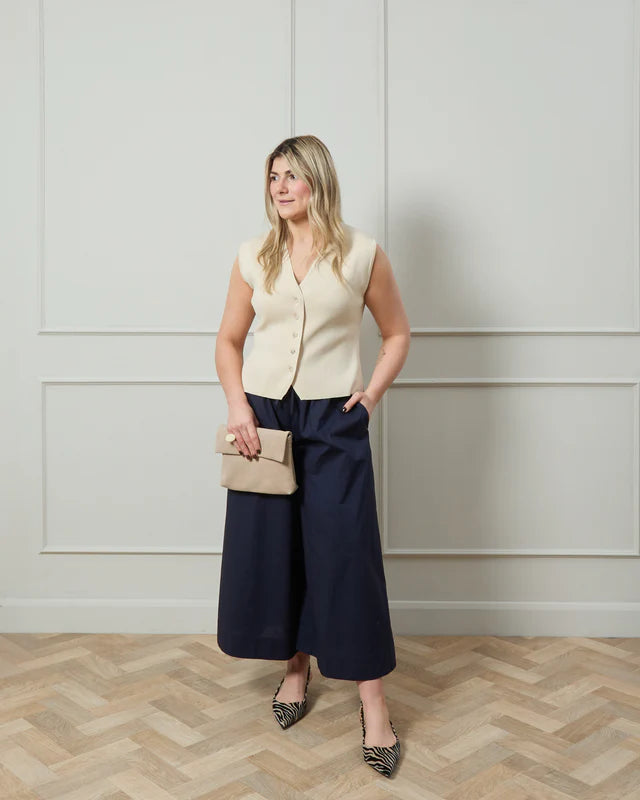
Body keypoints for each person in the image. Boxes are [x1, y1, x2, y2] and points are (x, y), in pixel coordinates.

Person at [215, 134, 410, 777]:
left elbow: (396, 333)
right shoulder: (253, 255)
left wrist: (370, 396)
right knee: (277, 549)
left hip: (333, 418)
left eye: (292, 175)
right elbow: (228, 340)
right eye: (274, 176)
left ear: (318, 180)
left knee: (347, 555)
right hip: (265, 418)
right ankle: (295, 668)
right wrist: (239, 407)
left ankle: (374, 705)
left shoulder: (362, 253)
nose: (281, 187)